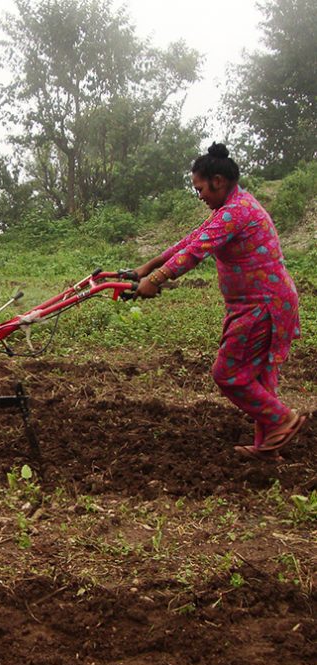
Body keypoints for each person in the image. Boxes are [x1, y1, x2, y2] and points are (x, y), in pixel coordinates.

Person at [132, 142, 305, 461]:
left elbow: (197, 253)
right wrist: (149, 266)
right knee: (258, 376)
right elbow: (192, 240)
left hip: (262, 305)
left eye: (200, 188)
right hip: (263, 302)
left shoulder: (236, 212)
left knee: (228, 373)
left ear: (218, 181)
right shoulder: (229, 208)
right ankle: (269, 447)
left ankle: (281, 419)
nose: (199, 195)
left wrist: (155, 281)